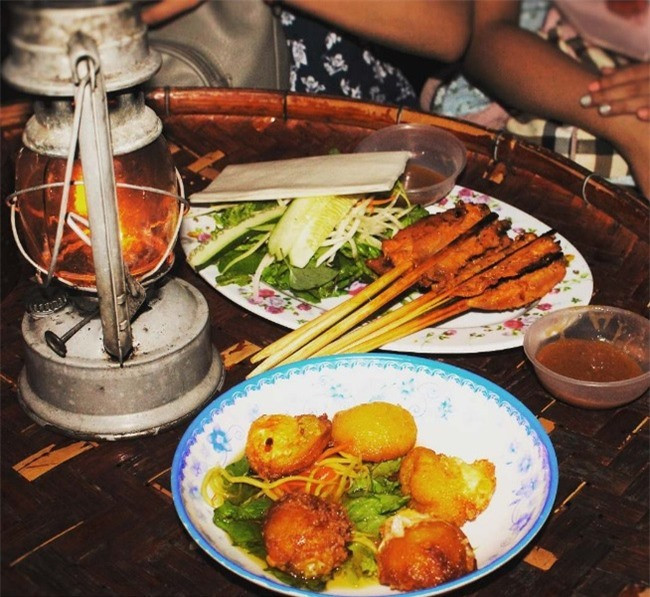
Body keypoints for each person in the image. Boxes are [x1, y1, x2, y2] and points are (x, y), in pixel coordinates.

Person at [140, 0, 649, 199]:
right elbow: (476, 34)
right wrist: (627, 123)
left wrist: (628, 124)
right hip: (205, 102)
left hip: (368, 116)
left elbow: (454, 33)